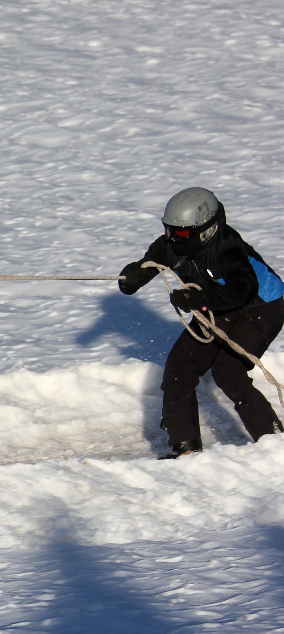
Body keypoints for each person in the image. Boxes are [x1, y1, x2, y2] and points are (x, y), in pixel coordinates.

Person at [118, 187, 284, 458]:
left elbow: (243, 287)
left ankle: (273, 440)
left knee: (228, 371)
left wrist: (200, 299)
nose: (172, 237)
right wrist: (132, 278)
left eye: (181, 233)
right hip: (216, 305)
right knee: (179, 367)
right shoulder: (169, 245)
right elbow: (149, 264)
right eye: (169, 229)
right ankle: (185, 447)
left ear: (207, 230)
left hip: (261, 308)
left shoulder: (227, 248)